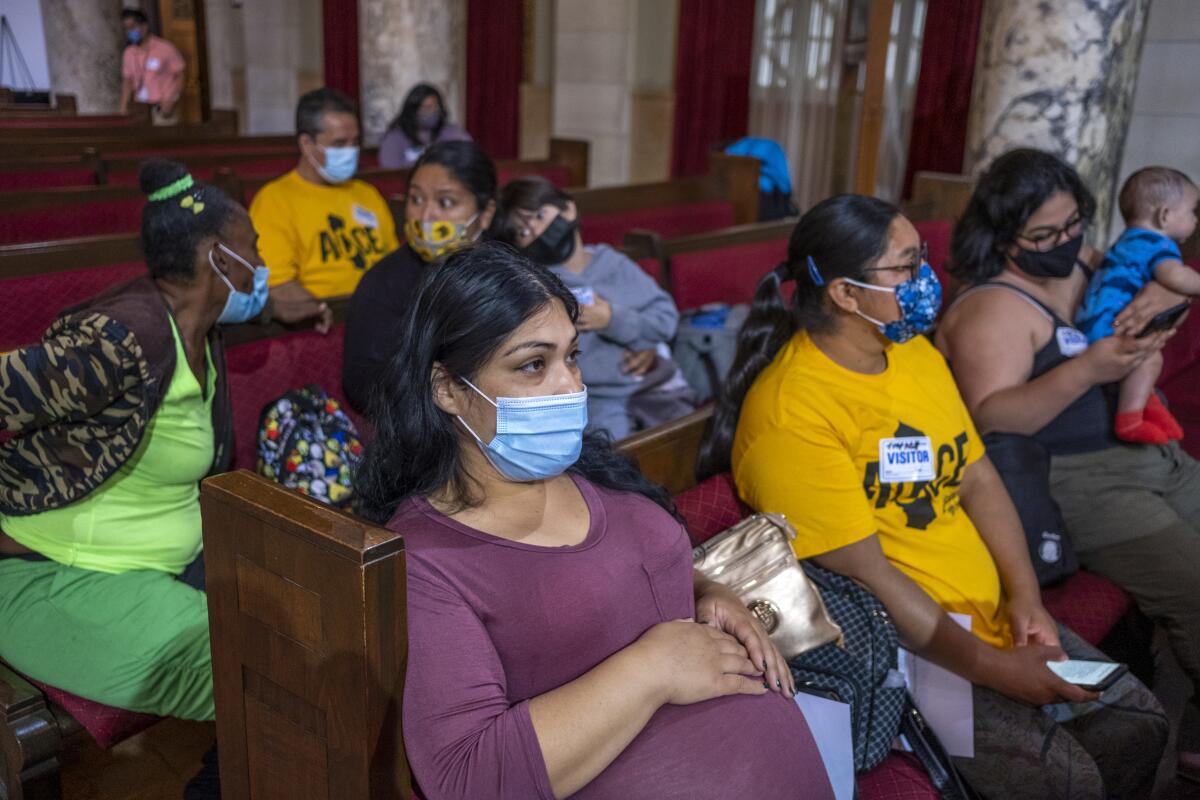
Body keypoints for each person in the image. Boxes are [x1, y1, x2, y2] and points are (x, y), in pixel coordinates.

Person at [699, 193, 1168, 799]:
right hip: (910, 649)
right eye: (906, 266)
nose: (927, 280)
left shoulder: (913, 355)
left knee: (1140, 724)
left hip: (993, 612)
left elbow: (977, 478)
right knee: (1067, 782)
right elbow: (871, 579)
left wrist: (1028, 601)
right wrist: (995, 667)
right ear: (845, 292)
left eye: (923, 259)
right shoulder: (792, 411)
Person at [353, 242, 833, 800]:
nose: (571, 384)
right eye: (534, 364)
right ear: (448, 389)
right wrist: (651, 670)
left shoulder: (592, 469)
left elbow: (616, 577)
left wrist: (705, 587)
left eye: (572, 356)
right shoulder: (428, 560)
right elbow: (466, 778)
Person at [0, 159, 328, 723]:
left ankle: (228, 773)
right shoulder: (124, 338)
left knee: (325, 625)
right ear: (218, 259)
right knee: (270, 674)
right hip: (59, 574)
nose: (262, 265)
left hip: (172, 561)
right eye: (253, 249)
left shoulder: (199, 328)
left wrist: (277, 304)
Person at [937, 148, 1200, 785]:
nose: (1067, 243)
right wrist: (1089, 368)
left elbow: (1143, 279)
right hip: (1078, 477)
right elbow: (992, 418)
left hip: (1144, 449)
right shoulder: (991, 309)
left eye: (1073, 225)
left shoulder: (1082, 260)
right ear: (1004, 236)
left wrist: (1163, 289)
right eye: (1044, 234)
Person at [494, 176, 695, 440]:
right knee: (613, 452)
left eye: (539, 216)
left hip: (647, 382)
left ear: (568, 210)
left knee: (686, 435)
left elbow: (665, 319)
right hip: (595, 397)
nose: (535, 231)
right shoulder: (535, 284)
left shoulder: (613, 263)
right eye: (522, 232)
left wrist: (612, 319)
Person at [342, 140, 496, 414]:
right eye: (416, 199)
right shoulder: (384, 281)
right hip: (423, 428)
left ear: (485, 214)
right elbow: (363, 383)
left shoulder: (506, 271)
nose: (426, 216)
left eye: (445, 202)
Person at [1075, 167, 1200, 444]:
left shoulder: (1129, 240)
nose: (1195, 220)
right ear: (1164, 215)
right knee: (1149, 357)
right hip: (1109, 326)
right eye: (1192, 212)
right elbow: (1175, 276)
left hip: (1091, 320)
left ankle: (1150, 408)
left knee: (1147, 359)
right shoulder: (1159, 245)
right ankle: (1130, 421)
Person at [249, 87, 399, 302]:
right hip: (323, 320)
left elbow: (392, 265)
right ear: (307, 145)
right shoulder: (274, 200)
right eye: (339, 143)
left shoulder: (367, 194)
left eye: (355, 142)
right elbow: (279, 285)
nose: (350, 151)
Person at [378, 83, 472, 170]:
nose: (431, 112)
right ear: (412, 110)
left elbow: (469, 157)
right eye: (426, 107)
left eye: (435, 107)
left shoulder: (452, 132)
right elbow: (390, 173)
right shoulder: (395, 137)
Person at [119, 8, 186, 125]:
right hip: (141, 108)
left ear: (144, 27)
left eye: (133, 27)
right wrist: (123, 107)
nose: (130, 31)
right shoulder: (128, 53)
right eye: (127, 28)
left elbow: (180, 74)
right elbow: (127, 81)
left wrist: (172, 99)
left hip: (162, 107)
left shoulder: (165, 48)